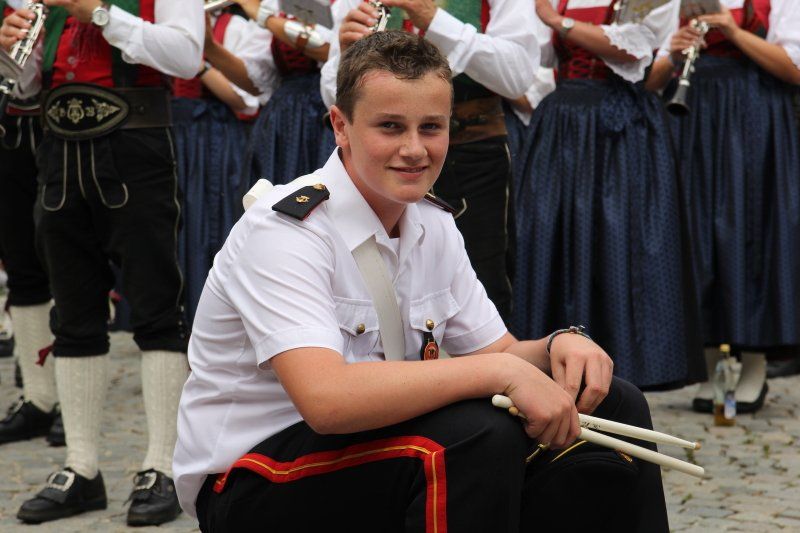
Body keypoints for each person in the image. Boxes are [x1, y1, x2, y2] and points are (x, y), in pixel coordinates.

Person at [174, 31, 669, 532]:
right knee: (476, 433)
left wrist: (559, 345)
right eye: (390, 126)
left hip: (368, 449)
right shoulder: (286, 230)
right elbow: (327, 400)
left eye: (431, 127)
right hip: (253, 478)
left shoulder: (433, 223)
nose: (414, 149)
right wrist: (501, 373)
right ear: (341, 126)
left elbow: (498, 350)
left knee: (614, 400)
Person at [0, 0, 203, 525]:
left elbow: (186, 56)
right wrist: (11, 53)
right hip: (57, 149)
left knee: (157, 308)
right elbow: (27, 89)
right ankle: (81, 468)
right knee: (72, 314)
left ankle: (161, 465)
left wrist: (100, 14)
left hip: (136, 147)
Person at [511, 0, 704, 389]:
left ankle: (622, 375)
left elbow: (634, 51)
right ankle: (549, 363)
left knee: (619, 244)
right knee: (550, 237)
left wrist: (558, 21)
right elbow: (532, 56)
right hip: (562, 125)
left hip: (622, 131)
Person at [320, 0, 540, 322]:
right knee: (363, 283)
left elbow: (518, 76)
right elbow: (334, 102)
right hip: (376, 163)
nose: (413, 148)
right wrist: (347, 60)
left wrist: (434, 19)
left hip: (471, 155)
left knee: (482, 284)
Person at [646, 0, 800, 410]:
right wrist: (674, 52)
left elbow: (793, 68)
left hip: (754, 119)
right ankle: (711, 364)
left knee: (752, 231)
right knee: (697, 235)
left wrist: (732, 31)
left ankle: (754, 365)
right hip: (694, 118)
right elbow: (650, 79)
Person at [172, 5, 272, 323]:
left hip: (213, 137)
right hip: (174, 133)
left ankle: (209, 317)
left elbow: (244, 100)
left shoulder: (236, 27)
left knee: (209, 225)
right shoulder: (168, 24)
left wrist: (198, 63)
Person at [0, 0, 63, 448]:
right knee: (20, 264)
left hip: (66, 131)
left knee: (72, 266)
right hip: (9, 127)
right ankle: (39, 398)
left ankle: (70, 400)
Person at [232, 0, 335, 188]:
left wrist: (264, 17)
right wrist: (208, 46)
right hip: (285, 115)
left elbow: (331, 50)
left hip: (329, 108)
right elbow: (254, 84)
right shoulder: (274, 3)